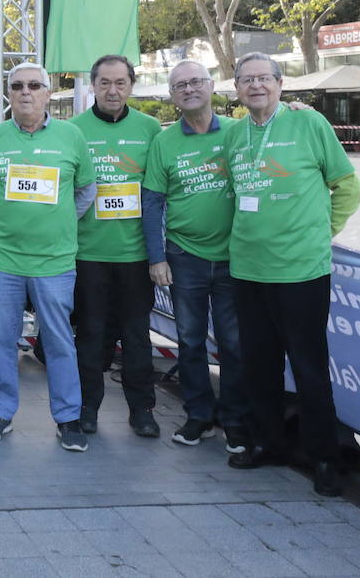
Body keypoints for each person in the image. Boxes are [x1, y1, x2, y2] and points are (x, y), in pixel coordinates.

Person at [224, 52, 360, 497]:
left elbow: (348, 186)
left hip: (301, 272)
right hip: (247, 270)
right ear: (237, 89)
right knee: (258, 366)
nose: (256, 86)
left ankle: (324, 457)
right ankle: (268, 443)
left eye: (264, 78)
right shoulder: (234, 135)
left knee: (309, 368)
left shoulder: (309, 123)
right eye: (247, 80)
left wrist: (322, 232)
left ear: (281, 85)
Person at [0, 62, 96, 450]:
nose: (25, 92)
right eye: (17, 86)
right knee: (1, 341)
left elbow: (85, 192)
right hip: (3, 260)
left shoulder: (72, 136)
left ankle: (68, 418)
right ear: (8, 95)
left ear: (47, 92)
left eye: (34, 85)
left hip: (55, 262)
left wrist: (55, 220)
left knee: (60, 342)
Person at [141, 60, 249, 453]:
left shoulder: (240, 132)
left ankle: (235, 420)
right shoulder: (164, 143)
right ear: (172, 96)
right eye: (179, 85)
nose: (188, 89)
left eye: (195, 82)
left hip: (237, 258)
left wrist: (297, 110)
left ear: (212, 85)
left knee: (235, 344)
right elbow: (151, 204)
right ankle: (199, 416)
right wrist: (157, 258)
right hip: (184, 257)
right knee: (189, 342)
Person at [70, 54, 164, 438]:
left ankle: (141, 409)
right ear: (93, 85)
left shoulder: (151, 128)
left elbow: (158, 193)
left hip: (135, 256)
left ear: (131, 86)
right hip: (87, 254)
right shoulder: (73, 130)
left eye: (120, 83)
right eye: (105, 83)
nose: (112, 90)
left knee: (138, 336)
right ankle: (87, 408)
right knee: (91, 335)